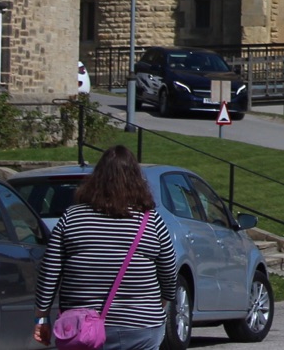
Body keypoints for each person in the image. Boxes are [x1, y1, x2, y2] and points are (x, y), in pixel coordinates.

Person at [34, 145, 179, 349]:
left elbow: (50, 271)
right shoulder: (152, 221)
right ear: (136, 180)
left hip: (81, 328)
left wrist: (41, 317)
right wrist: (161, 302)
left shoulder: (72, 217)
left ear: (96, 179)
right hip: (141, 326)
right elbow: (168, 271)